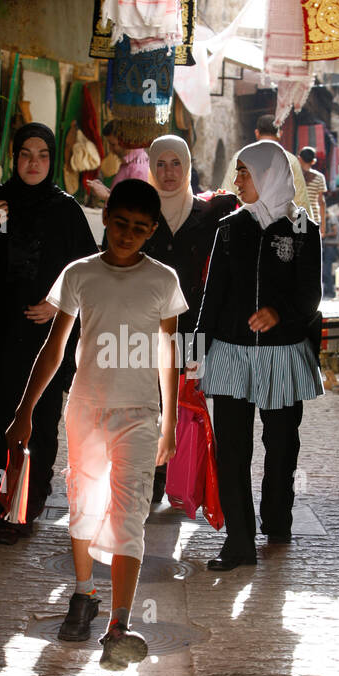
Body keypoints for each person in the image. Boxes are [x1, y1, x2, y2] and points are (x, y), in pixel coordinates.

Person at [5, 179, 188, 669]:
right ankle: (83, 594)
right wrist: (24, 412)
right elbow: (54, 348)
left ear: (152, 232)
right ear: (105, 218)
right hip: (85, 410)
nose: (128, 235)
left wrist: (170, 421)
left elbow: (168, 355)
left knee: (130, 516)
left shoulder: (164, 281)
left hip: (140, 415)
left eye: (140, 229)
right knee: (84, 506)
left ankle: (120, 624)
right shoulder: (79, 274)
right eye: (121, 224)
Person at [0, 123, 96, 544]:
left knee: (39, 421)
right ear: (14, 157)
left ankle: (24, 510)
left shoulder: (65, 211)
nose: (33, 163)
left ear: (51, 161)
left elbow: (86, 271)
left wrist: (56, 304)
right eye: (26, 154)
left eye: (42, 155)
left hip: (44, 340)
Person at [190, 140, 323, 571]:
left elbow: (310, 296)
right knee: (232, 451)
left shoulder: (304, 229)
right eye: (238, 172)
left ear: (269, 175)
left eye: (245, 172)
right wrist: (194, 351)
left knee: (282, 444)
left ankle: (277, 522)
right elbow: (212, 298)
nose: (237, 181)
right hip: (232, 353)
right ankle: (239, 543)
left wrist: (279, 313)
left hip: (283, 354)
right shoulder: (229, 229)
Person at [142, 134, 237, 501]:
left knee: (186, 404)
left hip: (193, 324)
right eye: (161, 164)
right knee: (147, 401)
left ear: (188, 166)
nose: (168, 172)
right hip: (144, 326)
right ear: (152, 168)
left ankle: (181, 480)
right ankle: (150, 479)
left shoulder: (207, 214)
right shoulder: (142, 214)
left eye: (176, 163)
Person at [223, 113, 311, 214]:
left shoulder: (239, 157)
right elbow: (301, 200)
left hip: (247, 223)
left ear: (257, 133)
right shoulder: (290, 160)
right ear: (280, 133)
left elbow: (227, 193)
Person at [86, 123, 149, 204]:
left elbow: (135, 205)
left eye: (113, 144)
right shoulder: (127, 164)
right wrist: (105, 191)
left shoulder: (139, 168)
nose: (110, 149)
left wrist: (106, 196)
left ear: (126, 141)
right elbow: (125, 196)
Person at [296, 145, 327, 234]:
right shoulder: (320, 177)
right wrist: (323, 226)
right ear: (313, 161)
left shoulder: (293, 176)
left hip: (296, 218)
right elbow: (321, 202)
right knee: (311, 247)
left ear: (299, 159)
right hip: (313, 219)